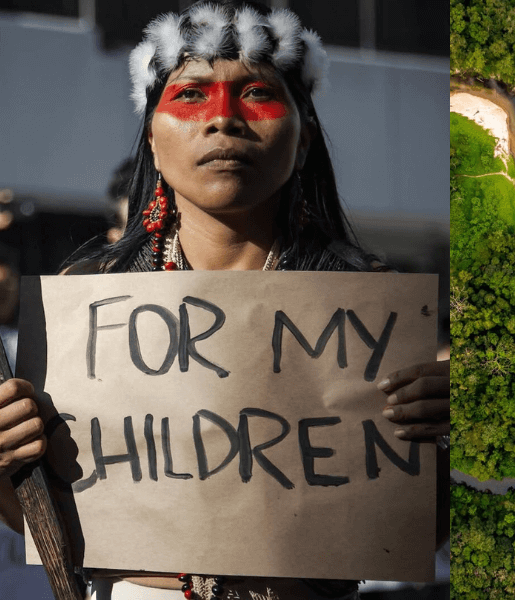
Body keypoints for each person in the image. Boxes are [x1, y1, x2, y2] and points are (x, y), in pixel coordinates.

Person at [0, 2, 449, 598]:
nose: (223, 120)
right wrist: (9, 463)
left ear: (305, 136)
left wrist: (446, 444)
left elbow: (415, 528)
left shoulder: (370, 310)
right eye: (190, 96)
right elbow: (48, 521)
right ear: (153, 142)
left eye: (257, 93)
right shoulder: (86, 301)